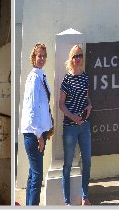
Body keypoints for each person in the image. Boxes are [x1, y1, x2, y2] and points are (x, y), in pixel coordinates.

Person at [58, 45, 93, 206]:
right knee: (68, 164)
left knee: (87, 160)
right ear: (71, 59)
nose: (78, 58)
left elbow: (87, 98)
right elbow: (61, 104)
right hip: (70, 127)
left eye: (80, 55)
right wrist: (73, 117)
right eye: (75, 56)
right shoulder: (67, 79)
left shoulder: (85, 77)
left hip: (84, 126)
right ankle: (67, 202)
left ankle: (85, 196)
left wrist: (89, 106)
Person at [20, 43, 53, 206]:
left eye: (44, 56)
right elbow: (32, 110)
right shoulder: (33, 78)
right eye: (39, 55)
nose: (41, 58)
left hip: (40, 132)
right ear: (33, 57)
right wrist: (40, 134)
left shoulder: (41, 75)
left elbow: (43, 106)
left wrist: (47, 128)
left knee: (33, 174)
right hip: (34, 134)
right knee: (37, 175)